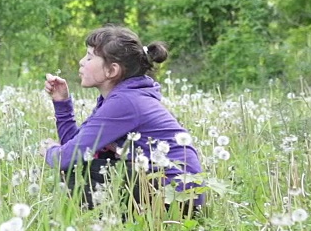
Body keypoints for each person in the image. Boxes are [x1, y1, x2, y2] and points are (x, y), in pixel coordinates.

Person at [39, 25, 204, 218]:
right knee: (81, 167)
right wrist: (62, 102)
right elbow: (75, 147)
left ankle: (110, 223)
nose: (82, 62)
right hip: (171, 191)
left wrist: (49, 151)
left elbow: (67, 158)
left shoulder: (125, 102)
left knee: (76, 173)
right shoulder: (119, 98)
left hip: (175, 196)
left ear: (112, 70)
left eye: (90, 57)